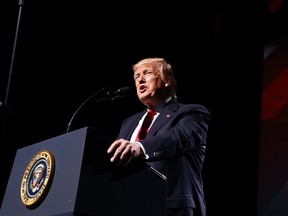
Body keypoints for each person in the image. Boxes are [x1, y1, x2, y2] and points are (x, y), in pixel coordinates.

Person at [107, 57, 210, 216]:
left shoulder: (192, 113)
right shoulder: (129, 123)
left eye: (147, 73)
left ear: (167, 81)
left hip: (171, 208)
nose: (140, 79)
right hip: (129, 206)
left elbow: (178, 139)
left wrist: (140, 147)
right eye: (136, 77)